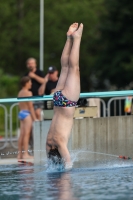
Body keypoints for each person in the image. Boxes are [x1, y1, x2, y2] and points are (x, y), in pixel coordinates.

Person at [46, 22, 83, 170]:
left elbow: (68, 164)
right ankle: (69, 38)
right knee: (66, 67)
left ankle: (76, 38)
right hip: (58, 100)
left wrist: (67, 168)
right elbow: (50, 161)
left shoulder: (59, 142)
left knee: (73, 68)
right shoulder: (49, 143)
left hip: (67, 103)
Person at [17, 76, 38, 159]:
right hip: (27, 114)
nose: (31, 84)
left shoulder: (20, 92)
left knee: (21, 135)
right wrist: (35, 118)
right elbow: (31, 107)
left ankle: (19, 154)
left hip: (21, 113)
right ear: (26, 83)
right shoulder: (28, 93)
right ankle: (25, 153)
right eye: (30, 82)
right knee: (26, 134)